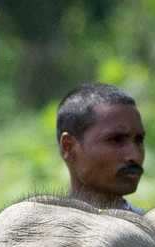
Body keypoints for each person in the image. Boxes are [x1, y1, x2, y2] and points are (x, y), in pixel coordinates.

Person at [56, 82, 146, 213]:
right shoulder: (36, 230)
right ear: (68, 147)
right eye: (116, 139)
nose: (135, 156)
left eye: (139, 140)